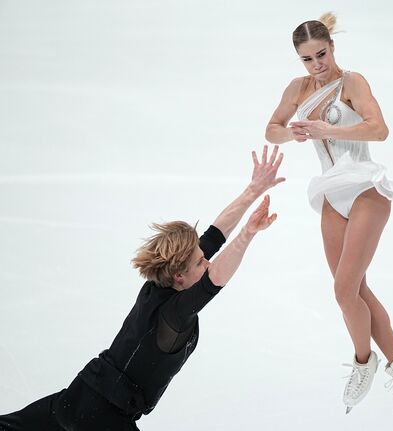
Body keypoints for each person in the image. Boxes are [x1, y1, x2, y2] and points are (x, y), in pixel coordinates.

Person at [0, 145, 285, 431]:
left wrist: (253, 190)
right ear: (179, 278)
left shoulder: (164, 281)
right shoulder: (173, 315)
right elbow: (216, 279)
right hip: (104, 419)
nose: (207, 263)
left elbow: (216, 234)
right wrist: (247, 234)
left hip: (76, 398)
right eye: (201, 263)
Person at [265, 13, 393, 425]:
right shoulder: (297, 89)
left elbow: (379, 130)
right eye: (307, 59)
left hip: (365, 188)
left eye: (321, 54)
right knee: (354, 291)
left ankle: (365, 363)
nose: (316, 65)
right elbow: (271, 129)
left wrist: (325, 131)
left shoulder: (352, 82)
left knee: (345, 290)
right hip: (332, 194)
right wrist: (292, 133)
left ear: (332, 47)